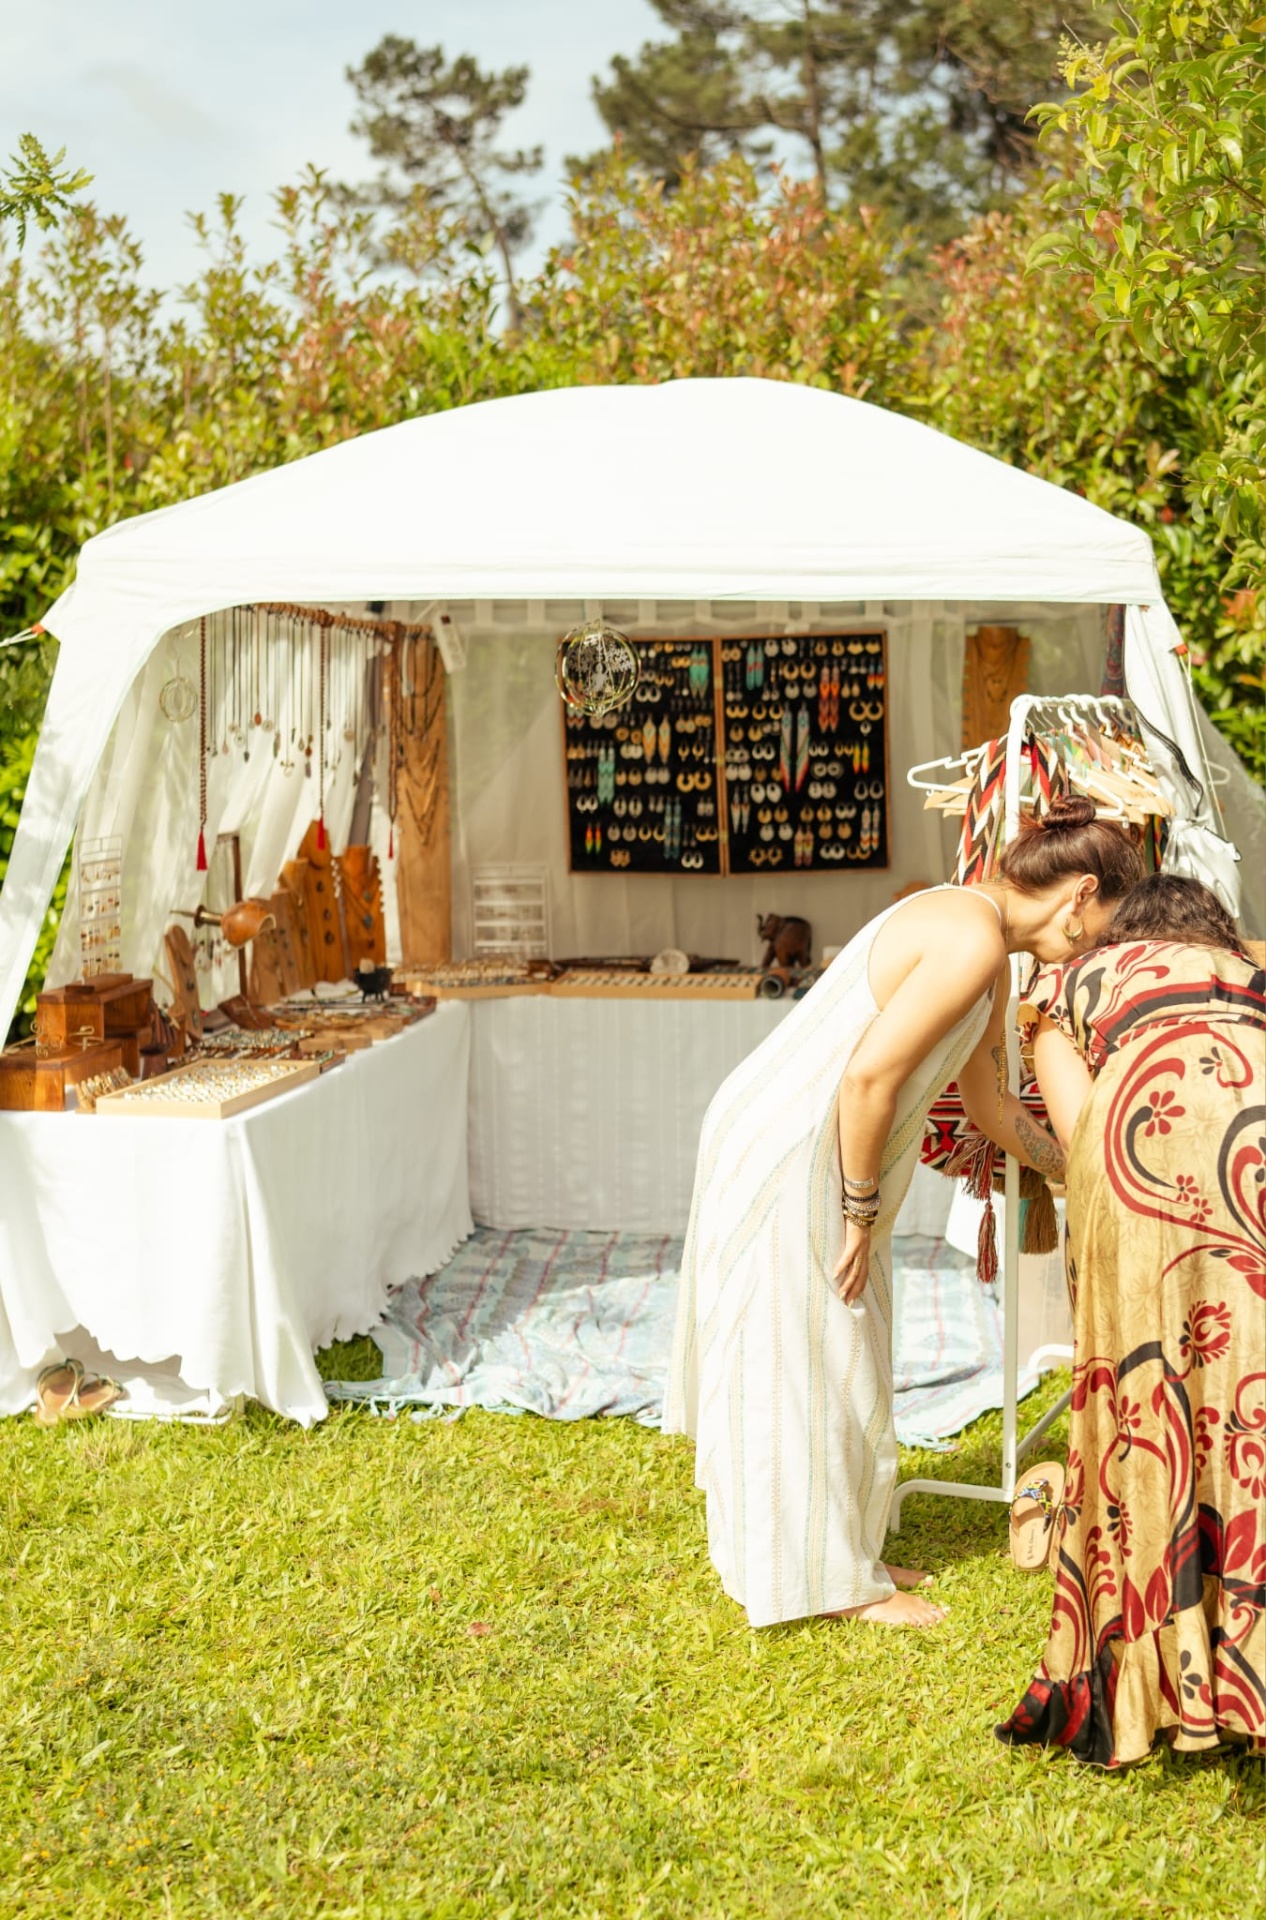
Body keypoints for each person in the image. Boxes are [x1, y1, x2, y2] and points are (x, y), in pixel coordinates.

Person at [665, 795, 1144, 1629]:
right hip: (800, 1147)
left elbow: (991, 1105)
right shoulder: (967, 937)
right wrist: (858, 1212)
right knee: (807, 1351)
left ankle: (844, 1549)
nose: (1099, 942)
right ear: (1080, 894)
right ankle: (825, 1582)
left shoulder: (985, 946)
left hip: (818, 1143)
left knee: (848, 1348)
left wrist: (1083, 1167)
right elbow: (867, 1079)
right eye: (1106, 922)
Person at [997, 873, 1265, 1765]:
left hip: (1136, 1159)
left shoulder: (1070, 984)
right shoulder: (1251, 972)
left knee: (1148, 1400)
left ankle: (1171, 1671)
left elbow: (1079, 1143)